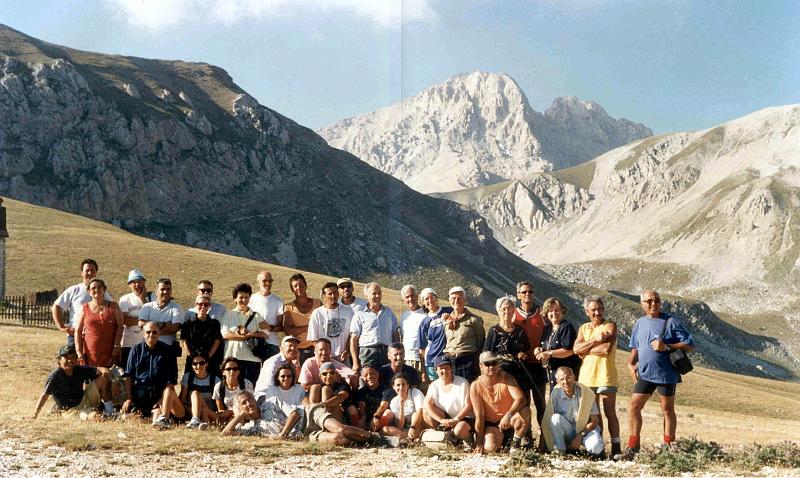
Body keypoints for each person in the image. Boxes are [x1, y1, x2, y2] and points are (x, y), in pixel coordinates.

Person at [619, 290, 695, 459]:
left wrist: (667, 346)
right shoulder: (640, 323)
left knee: (667, 410)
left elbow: (690, 345)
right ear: (642, 304)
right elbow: (636, 346)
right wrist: (631, 364)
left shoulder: (670, 321)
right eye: (649, 301)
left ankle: (668, 448)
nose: (654, 303)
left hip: (666, 374)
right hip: (645, 373)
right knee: (633, 407)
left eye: (657, 300)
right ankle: (633, 447)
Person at [573, 295, 621, 456]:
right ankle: (599, 448)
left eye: (600, 309)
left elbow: (605, 350)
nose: (597, 312)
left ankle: (616, 446)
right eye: (593, 310)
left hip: (605, 375)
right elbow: (575, 349)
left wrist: (585, 350)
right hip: (587, 377)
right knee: (594, 414)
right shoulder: (583, 328)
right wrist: (595, 340)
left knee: (610, 412)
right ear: (587, 311)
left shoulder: (610, 326)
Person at [121, 322, 187, 429]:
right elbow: (128, 376)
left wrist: (163, 400)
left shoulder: (168, 351)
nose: (151, 335)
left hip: (160, 396)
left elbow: (172, 380)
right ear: (143, 334)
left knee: (159, 414)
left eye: (154, 332)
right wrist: (129, 398)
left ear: (159, 334)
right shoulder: (135, 350)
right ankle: (148, 415)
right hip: (141, 398)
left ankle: (163, 418)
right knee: (125, 417)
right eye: (148, 332)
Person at [469, 351, 531, 453]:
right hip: (492, 424)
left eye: (494, 363)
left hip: (509, 420)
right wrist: (479, 443)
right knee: (490, 448)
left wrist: (508, 415)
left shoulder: (507, 378)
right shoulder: (475, 386)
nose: (491, 367)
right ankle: (503, 442)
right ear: (481, 366)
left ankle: (515, 445)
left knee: (526, 411)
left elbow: (521, 399)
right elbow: (479, 416)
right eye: (487, 364)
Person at [33, 344, 114, 418]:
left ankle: (110, 412)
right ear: (59, 359)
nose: (70, 361)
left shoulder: (79, 369)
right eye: (66, 358)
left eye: (72, 357)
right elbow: (45, 395)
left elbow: (102, 370)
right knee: (95, 417)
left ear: (76, 359)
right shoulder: (55, 375)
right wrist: (35, 414)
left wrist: (114, 381)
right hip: (72, 410)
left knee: (104, 378)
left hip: (85, 400)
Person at [542, 367, 604, 456]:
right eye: (562, 379)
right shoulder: (555, 394)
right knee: (555, 418)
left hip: (585, 431)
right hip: (569, 431)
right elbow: (548, 419)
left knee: (596, 447)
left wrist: (580, 435)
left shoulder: (586, 393)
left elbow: (595, 420)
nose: (565, 382)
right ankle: (560, 451)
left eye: (568, 378)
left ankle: (587, 451)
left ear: (574, 377)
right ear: (557, 381)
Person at [51, 259, 112, 345]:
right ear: (82, 273)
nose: (90, 273)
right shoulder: (74, 290)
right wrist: (62, 327)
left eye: (92, 270)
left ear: (96, 273)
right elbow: (56, 306)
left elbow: (112, 309)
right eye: (87, 270)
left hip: (96, 336)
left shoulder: (102, 293)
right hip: (75, 335)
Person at [220, 283, 270, 385]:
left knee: (250, 389)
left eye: (246, 297)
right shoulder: (228, 315)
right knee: (232, 388)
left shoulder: (256, 316)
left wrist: (251, 334)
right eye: (241, 297)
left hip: (252, 360)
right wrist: (244, 337)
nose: (244, 300)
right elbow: (225, 334)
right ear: (235, 299)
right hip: (233, 359)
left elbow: (266, 333)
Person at [137, 278, 184, 383]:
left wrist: (151, 327)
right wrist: (163, 324)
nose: (165, 292)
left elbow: (174, 327)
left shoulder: (177, 308)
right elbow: (141, 324)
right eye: (162, 289)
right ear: (156, 291)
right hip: (147, 350)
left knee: (167, 383)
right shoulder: (147, 307)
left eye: (168, 289)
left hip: (167, 351)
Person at [484, 296, 531, 396]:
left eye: (510, 308)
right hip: (500, 373)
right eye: (504, 309)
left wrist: (523, 354)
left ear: (513, 311)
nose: (507, 311)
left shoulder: (520, 330)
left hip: (519, 372)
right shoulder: (494, 331)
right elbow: (487, 354)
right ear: (498, 311)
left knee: (521, 400)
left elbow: (527, 349)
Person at [423, 356, 474, 446]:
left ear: (451, 369)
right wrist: (441, 420)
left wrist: (456, 419)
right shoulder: (434, 385)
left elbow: (468, 405)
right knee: (426, 411)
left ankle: (468, 440)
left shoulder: (462, 382)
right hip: (446, 417)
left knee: (459, 430)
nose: (444, 371)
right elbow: (427, 404)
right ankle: (443, 436)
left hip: (463, 417)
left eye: (447, 368)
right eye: (441, 368)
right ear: (436, 371)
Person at [74, 278, 124, 369]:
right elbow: (78, 330)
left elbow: (120, 326)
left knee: (109, 375)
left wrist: (117, 344)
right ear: (89, 291)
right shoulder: (85, 308)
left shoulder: (113, 306)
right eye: (93, 288)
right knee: (91, 375)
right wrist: (79, 352)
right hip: (91, 352)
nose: (96, 290)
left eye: (100, 287)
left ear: (104, 290)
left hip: (110, 351)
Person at [350, 282, 399, 372]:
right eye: (374, 293)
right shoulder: (360, 315)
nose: (377, 296)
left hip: (386, 352)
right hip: (367, 353)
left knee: (387, 378)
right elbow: (354, 340)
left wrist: (397, 354)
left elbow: (395, 334)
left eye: (379, 293)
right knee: (367, 378)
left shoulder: (389, 312)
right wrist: (355, 362)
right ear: (367, 295)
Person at [221, 388, 304, 439]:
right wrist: (240, 415)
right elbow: (225, 433)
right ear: (240, 408)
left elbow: (295, 413)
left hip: (306, 420)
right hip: (302, 436)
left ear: (255, 400)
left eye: (250, 399)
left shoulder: (272, 403)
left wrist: (282, 435)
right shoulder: (252, 428)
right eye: (244, 403)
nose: (249, 403)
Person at [535, 297, 580, 388]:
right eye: (550, 311)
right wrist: (538, 350)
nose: (554, 313)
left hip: (566, 377)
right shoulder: (547, 328)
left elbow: (569, 351)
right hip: (554, 374)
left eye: (557, 310)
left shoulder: (566, 327)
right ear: (546, 313)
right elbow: (544, 346)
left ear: (562, 311)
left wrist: (549, 353)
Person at [443, 286, 485, 382]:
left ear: (465, 300)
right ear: (449, 300)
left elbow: (480, 343)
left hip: (467, 362)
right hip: (449, 362)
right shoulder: (446, 320)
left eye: (459, 298)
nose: (456, 301)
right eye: (453, 298)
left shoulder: (474, 320)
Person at [308, 282, 354, 363]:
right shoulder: (317, 313)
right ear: (324, 296)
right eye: (330, 294)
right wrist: (325, 353)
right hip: (324, 359)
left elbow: (352, 335)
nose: (333, 296)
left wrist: (346, 351)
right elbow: (313, 339)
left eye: (335, 292)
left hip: (343, 358)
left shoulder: (349, 311)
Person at [181, 293, 223, 377]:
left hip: (210, 359)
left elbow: (217, 341)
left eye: (206, 304)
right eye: (200, 304)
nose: (203, 307)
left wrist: (207, 357)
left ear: (209, 306)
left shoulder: (215, 323)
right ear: (196, 305)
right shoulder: (188, 324)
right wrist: (192, 357)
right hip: (192, 360)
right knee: (190, 381)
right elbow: (184, 341)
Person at [118, 269, 154, 367]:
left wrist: (143, 299)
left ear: (144, 282)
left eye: (139, 281)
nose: (137, 284)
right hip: (128, 343)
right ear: (129, 284)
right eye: (134, 282)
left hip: (147, 343)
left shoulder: (152, 297)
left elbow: (153, 316)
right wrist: (144, 320)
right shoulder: (125, 299)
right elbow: (125, 320)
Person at [283, 273, 321, 364]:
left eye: (301, 285)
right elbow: (288, 331)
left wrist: (298, 329)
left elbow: (323, 325)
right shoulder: (289, 307)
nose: (298, 288)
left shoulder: (318, 303)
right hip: (298, 351)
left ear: (306, 285)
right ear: (292, 289)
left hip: (317, 348)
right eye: (295, 286)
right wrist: (310, 327)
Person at [417, 288, 453, 381]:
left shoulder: (449, 310)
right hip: (432, 361)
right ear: (424, 303)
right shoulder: (424, 322)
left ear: (436, 298)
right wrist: (423, 370)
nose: (430, 301)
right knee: (435, 388)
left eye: (432, 297)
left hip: (449, 359)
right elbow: (422, 348)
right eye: (426, 299)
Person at [247, 270, 284, 360]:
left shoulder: (278, 301)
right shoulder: (250, 299)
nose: (267, 283)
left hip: (272, 344)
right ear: (258, 282)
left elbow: (281, 327)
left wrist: (269, 327)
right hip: (253, 343)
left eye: (270, 281)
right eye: (264, 281)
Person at [180, 352, 221, 429]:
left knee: (196, 394)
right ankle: (196, 419)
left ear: (206, 364)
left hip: (209, 412)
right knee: (195, 393)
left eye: (202, 363)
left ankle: (196, 421)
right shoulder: (188, 377)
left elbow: (219, 404)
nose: (198, 366)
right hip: (191, 411)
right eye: (195, 364)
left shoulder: (215, 379)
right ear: (192, 365)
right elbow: (182, 400)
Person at [380, 373, 425, 441]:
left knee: (415, 415)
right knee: (385, 429)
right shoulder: (394, 401)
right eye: (398, 385)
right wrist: (401, 408)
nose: (401, 388)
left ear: (408, 385)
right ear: (393, 387)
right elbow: (400, 426)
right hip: (405, 429)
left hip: (417, 426)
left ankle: (410, 436)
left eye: (403, 385)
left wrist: (413, 427)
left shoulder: (415, 393)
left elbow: (420, 412)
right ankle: (408, 437)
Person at [212, 357, 254, 423]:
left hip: (243, 414)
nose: (232, 371)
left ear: (239, 371)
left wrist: (232, 412)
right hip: (225, 416)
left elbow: (251, 405)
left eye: (235, 369)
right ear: (223, 372)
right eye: (228, 369)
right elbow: (220, 410)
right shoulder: (219, 387)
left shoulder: (247, 384)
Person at [398, 285, 426, 380]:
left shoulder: (425, 314)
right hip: (406, 360)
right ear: (403, 300)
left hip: (422, 361)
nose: (410, 299)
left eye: (412, 295)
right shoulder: (403, 316)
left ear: (417, 296)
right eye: (407, 297)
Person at [354, 365, 389, 431]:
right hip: (367, 418)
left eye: (372, 373)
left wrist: (376, 416)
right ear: (362, 378)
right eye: (365, 375)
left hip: (380, 417)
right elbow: (361, 406)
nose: (369, 377)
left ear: (377, 374)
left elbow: (383, 406)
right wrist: (363, 417)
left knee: (388, 412)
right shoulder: (361, 391)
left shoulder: (386, 390)